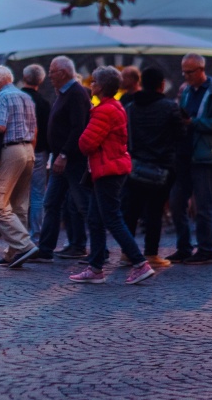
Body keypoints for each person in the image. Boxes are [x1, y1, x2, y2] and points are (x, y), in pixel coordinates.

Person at [70, 67, 155, 285]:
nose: (91, 84)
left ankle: (139, 263)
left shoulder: (104, 111)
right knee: (96, 218)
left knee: (111, 218)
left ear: (101, 86)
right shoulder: (114, 107)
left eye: (94, 81)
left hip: (108, 170)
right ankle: (96, 267)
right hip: (109, 169)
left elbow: (86, 143)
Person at [168, 53, 212, 265]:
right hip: (185, 152)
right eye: (183, 72)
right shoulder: (186, 91)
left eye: (189, 72)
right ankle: (184, 247)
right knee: (177, 201)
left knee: (203, 204)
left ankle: (205, 249)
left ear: (201, 70)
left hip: (204, 154)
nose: (185, 76)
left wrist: (194, 123)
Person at [121, 67, 183, 268]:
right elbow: (180, 135)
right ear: (161, 85)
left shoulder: (131, 107)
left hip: (135, 167)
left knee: (131, 210)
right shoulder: (169, 107)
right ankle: (151, 253)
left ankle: (127, 252)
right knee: (154, 212)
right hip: (161, 168)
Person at [36, 56, 91, 262]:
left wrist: (64, 154)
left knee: (82, 204)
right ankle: (46, 249)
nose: (49, 75)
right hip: (61, 159)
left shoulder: (75, 93)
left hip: (71, 160)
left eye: (52, 71)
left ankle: (96, 249)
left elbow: (78, 127)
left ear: (64, 73)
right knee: (52, 203)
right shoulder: (64, 93)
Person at [0, 66, 39, 268]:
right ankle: (14, 253)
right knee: (19, 204)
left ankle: (24, 245)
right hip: (28, 150)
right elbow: (34, 129)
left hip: (11, 150)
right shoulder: (25, 96)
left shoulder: (1, 97)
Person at [20, 64, 51, 244]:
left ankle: (20, 235)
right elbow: (47, 129)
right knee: (38, 194)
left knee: (19, 195)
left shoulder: (17, 99)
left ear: (24, 77)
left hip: (18, 150)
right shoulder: (43, 103)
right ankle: (35, 235)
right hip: (39, 151)